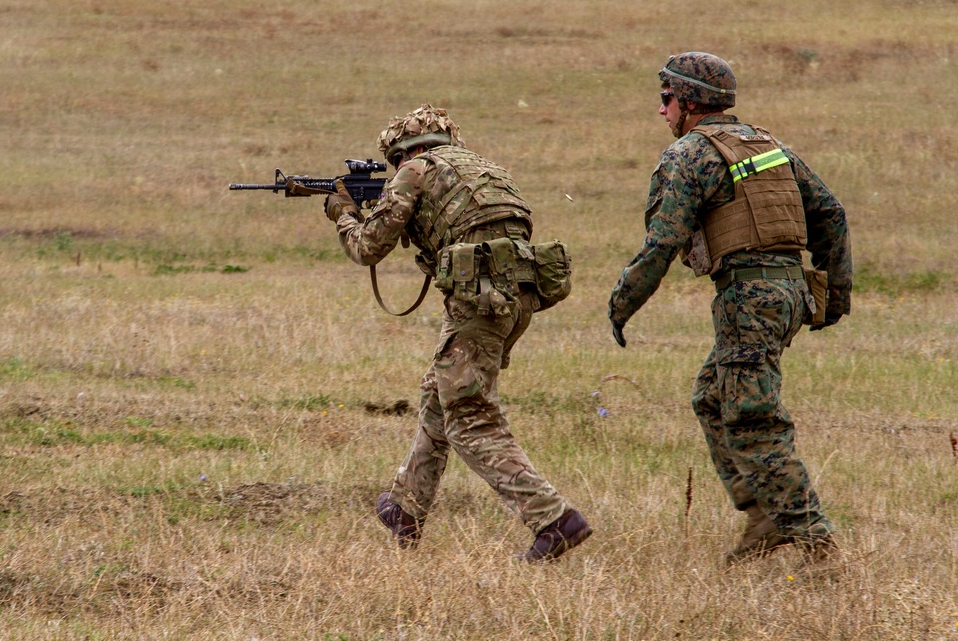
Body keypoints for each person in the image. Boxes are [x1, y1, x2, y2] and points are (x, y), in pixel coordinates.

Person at [607, 53, 852, 566]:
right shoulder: (768, 145)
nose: (661, 111)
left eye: (666, 99)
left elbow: (663, 242)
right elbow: (830, 212)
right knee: (712, 396)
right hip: (786, 296)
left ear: (690, 103)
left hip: (749, 299)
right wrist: (832, 297)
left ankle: (815, 539)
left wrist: (623, 303)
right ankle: (762, 514)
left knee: (751, 419)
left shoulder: (690, 156)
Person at [323, 104, 591, 562]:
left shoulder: (416, 171)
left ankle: (553, 519)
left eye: (396, 161)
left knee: (469, 417)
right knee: (438, 395)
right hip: (516, 297)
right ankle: (405, 508)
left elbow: (368, 248)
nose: (395, 170)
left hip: (479, 300)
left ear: (409, 149)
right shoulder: (486, 170)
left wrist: (344, 214)